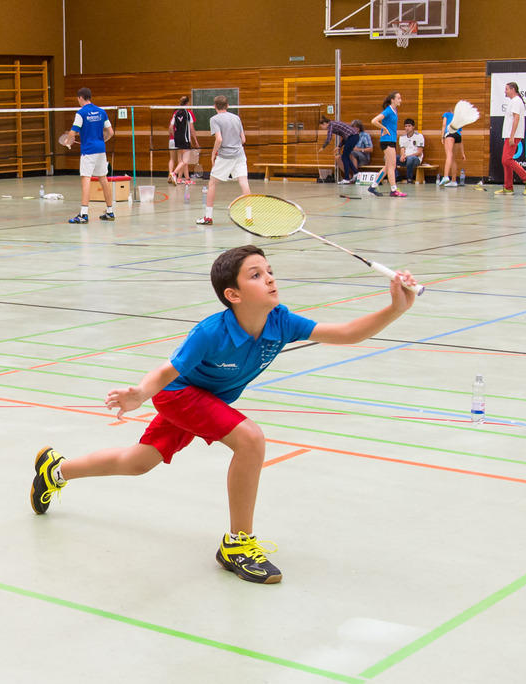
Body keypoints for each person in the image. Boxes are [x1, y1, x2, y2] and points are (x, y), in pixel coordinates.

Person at [29, 244, 419, 584]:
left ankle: (56, 470)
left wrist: (395, 308)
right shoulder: (211, 332)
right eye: (256, 275)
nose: (269, 278)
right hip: (179, 396)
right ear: (233, 294)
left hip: (207, 399)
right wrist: (140, 393)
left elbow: (347, 332)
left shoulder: (281, 322)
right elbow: (168, 371)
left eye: (269, 271)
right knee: (250, 439)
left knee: (138, 462)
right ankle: (237, 545)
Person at [197, 95, 251, 226]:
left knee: (212, 183)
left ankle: (208, 217)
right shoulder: (236, 118)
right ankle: (249, 217)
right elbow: (243, 140)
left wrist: (213, 153)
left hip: (225, 156)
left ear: (214, 106)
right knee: (244, 183)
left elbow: (219, 139)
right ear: (227, 106)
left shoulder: (214, 119)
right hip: (240, 155)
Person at [66, 87, 115, 224]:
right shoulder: (101, 112)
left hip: (88, 151)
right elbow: (110, 132)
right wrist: (102, 141)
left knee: (86, 179)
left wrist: (67, 142)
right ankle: (110, 211)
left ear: (80, 98)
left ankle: (84, 214)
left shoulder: (81, 113)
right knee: (103, 179)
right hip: (101, 150)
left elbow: (73, 132)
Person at [496, 82, 526, 196]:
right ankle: (508, 188)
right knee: (505, 161)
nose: (505, 91)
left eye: (506, 89)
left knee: (507, 160)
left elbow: (516, 118)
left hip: (513, 135)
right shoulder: (513, 101)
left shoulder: (516, 101)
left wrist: (512, 136)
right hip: (509, 135)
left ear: (513, 89)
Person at [368, 91, 406, 197]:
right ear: (392, 100)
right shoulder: (388, 110)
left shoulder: (394, 110)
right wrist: (384, 128)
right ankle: (394, 190)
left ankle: (373, 186)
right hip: (387, 140)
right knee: (392, 166)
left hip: (391, 140)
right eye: (398, 98)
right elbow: (374, 121)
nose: (400, 100)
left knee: (388, 166)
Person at [319, 116, 359, 183]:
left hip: (352, 137)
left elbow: (329, 138)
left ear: (325, 123)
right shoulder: (334, 124)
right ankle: (356, 173)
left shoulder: (331, 125)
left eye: (322, 126)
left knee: (344, 157)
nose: (322, 128)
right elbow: (344, 136)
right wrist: (339, 146)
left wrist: (323, 147)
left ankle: (346, 179)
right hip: (353, 137)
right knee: (346, 156)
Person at [169, 96, 198, 184]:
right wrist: (195, 141)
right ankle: (174, 173)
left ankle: (187, 179)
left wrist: (176, 136)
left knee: (182, 160)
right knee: (185, 160)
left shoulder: (176, 113)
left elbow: (171, 127)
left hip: (177, 140)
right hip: (185, 140)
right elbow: (192, 128)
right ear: (188, 103)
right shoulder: (188, 113)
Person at [437, 109, 467, 187]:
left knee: (449, 155)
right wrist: (463, 153)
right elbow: (461, 136)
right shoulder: (458, 119)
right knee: (453, 159)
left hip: (450, 134)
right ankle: (453, 181)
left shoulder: (446, 114)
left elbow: (444, 125)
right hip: (458, 136)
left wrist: (442, 136)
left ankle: (445, 176)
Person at [397, 118, 425, 184]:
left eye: (409, 126)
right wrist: (402, 156)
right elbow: (402, 149)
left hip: (416, 159)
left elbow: (419, 152)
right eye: (406, 126)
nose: (407, 128)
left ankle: (409, 178)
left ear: (413, 127)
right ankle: (397, 177)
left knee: (410, 159)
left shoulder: (419, 136)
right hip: (405, 158)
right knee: (389, 158)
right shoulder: (402, 137)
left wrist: (407, 156)